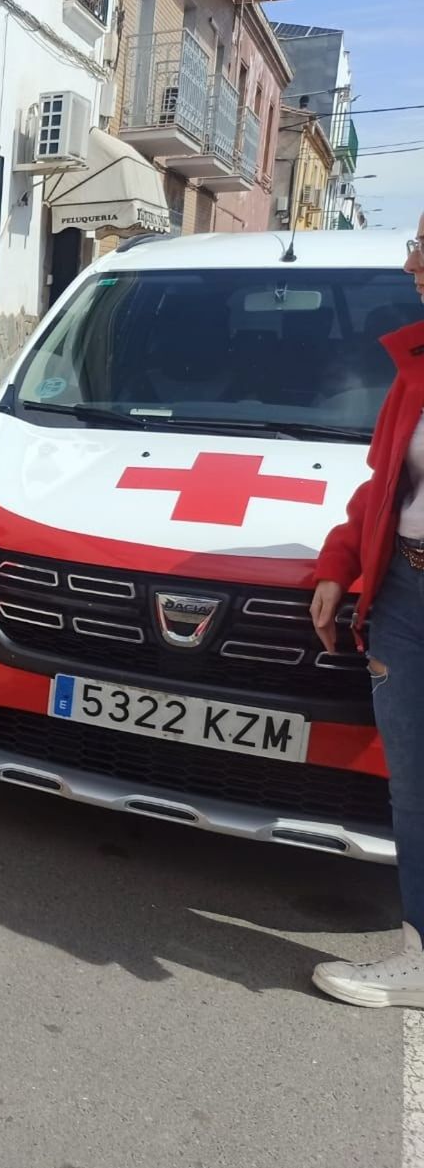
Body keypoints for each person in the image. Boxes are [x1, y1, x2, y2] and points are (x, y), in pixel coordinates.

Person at [309, 213, 424, 1007]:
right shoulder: (414, 366)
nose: (411, 259)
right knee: (412, 788)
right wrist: (339, 563)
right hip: (408, 595)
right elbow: (382, 486)